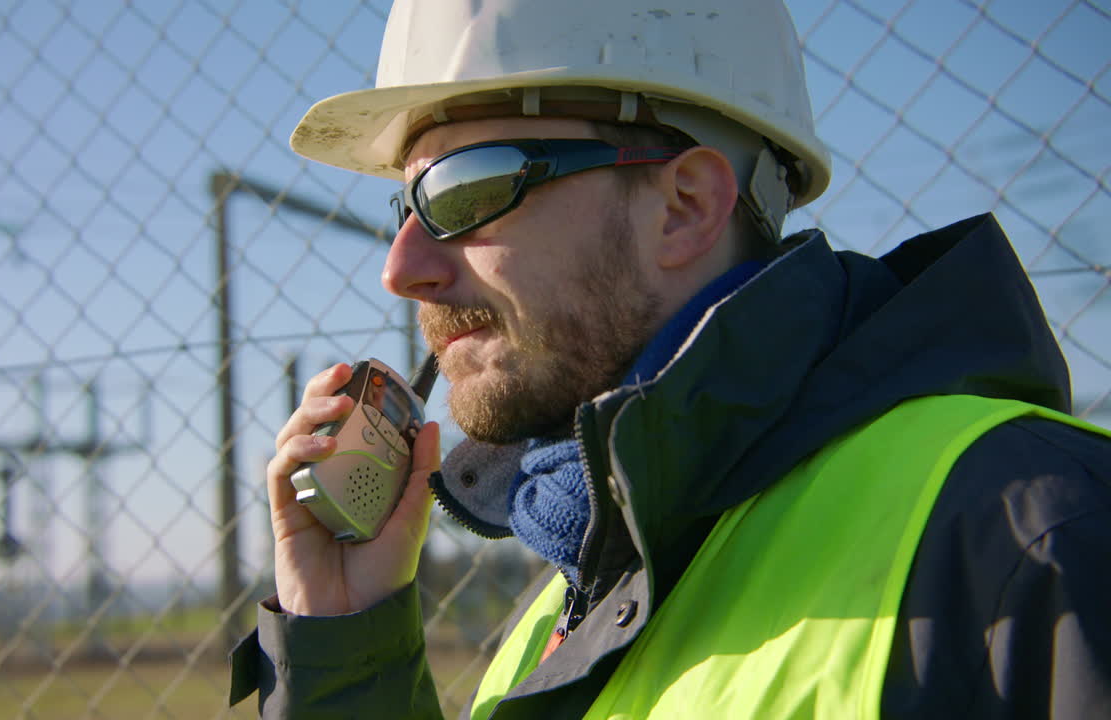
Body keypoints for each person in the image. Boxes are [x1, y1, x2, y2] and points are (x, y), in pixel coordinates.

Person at [229, 0, 1111, 717]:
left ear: (686, 205)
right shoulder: (570, 607)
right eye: (404, 210)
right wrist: (347, 645)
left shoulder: (1034, 538)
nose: (402, 271)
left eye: (462, 189)